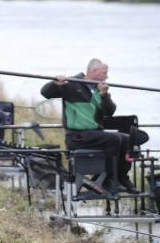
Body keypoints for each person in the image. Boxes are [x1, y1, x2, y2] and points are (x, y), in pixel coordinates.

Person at [40, 58, 139, 194]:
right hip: (77, 136)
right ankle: (106, 179)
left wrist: (104, 96)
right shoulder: (72, 84)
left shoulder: (100, 89)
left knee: (129, 140)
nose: (107, 76)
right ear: (94, 71)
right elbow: (45, 93)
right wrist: (55, 83)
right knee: (114, 139)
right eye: (105, 73)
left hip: (95, 135)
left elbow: (110, 112)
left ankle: (121, 177)